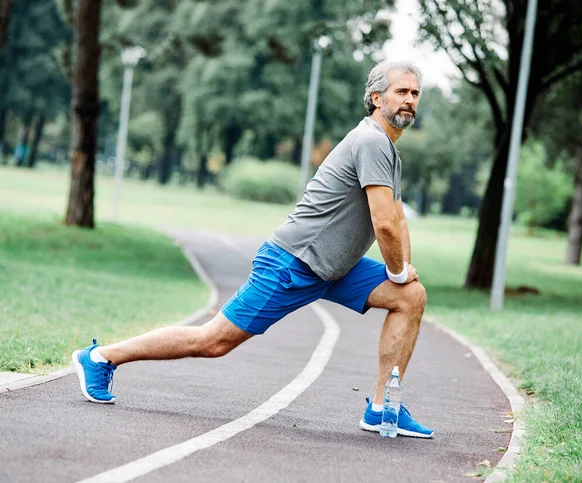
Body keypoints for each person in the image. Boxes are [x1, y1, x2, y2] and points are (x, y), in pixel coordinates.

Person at [72, 60, 433, 439]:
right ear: (376, 98)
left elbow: (399, 218)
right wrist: (396, 272)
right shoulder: (372, 141)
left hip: (335, 268)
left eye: (414, 94)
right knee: (212, 341)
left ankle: (382, 407)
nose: (409, 100)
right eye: (401, 92)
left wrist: (406, 270)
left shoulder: (388, 151)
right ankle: (100, 358)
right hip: (293, 263)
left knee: (410, 296)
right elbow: (385, 224)